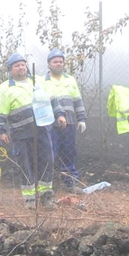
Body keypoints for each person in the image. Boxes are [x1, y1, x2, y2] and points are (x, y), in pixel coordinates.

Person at [0, 53, 52, 205]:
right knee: (25, 165)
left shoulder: (37, 81)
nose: (21, 67)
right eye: (17, 65)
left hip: (42, 130)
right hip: (20, 133)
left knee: (46, 161)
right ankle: (30, 200)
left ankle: (45, 196)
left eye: (23, 64)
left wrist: (59, 114)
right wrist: (1, 131)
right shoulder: (5, 88)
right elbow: (0, 113)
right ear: (10, 69)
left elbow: (50, 99)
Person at [39, 50, 88, 189]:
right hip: (50, 125)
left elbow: (77, 100)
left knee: (69, 153)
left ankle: (70, 183)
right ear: (49, 64)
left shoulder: (70, 80)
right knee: (50, 154)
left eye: (61, 61)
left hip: (70, 124)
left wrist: (81, 118)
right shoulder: (42, 81)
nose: (58, 64)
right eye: (55, 61)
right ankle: (48, 185)